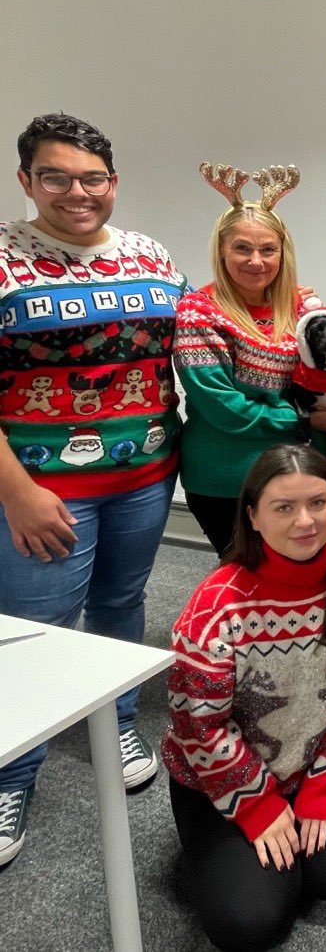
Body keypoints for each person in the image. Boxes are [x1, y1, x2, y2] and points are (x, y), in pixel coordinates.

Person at [0, 113, 187, 867]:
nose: (76, 192)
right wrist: (16, 490)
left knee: (120, 603)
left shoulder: (147, 252)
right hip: (43, 490)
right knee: (34, 629)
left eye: (92, 178)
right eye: (56, 177)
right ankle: (12, 773)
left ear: (113, 182)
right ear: (26, 181)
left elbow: (198, 341)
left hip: (145, 477)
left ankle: (115, 719)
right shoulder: (6, 258)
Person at [163, 443, 326, 951]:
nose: (305, 522)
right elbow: (198, 729)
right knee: (251, 923)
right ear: (253, 517)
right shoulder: (216, 608)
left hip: (320, 757)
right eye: (284, 508)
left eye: (318, 502)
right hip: (221, 772)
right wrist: (255, 804)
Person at [174, 162, 326, 557]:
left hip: (302, 472)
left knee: (310, 578)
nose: (257, 261)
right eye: (242, 248)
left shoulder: (302, 306)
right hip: (232, 479)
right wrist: (303, 419)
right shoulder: (199, 313)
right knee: (252, 583)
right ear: (222, 250)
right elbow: (223, 408)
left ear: (282, 252)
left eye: (268, 249)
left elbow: (324, 373)